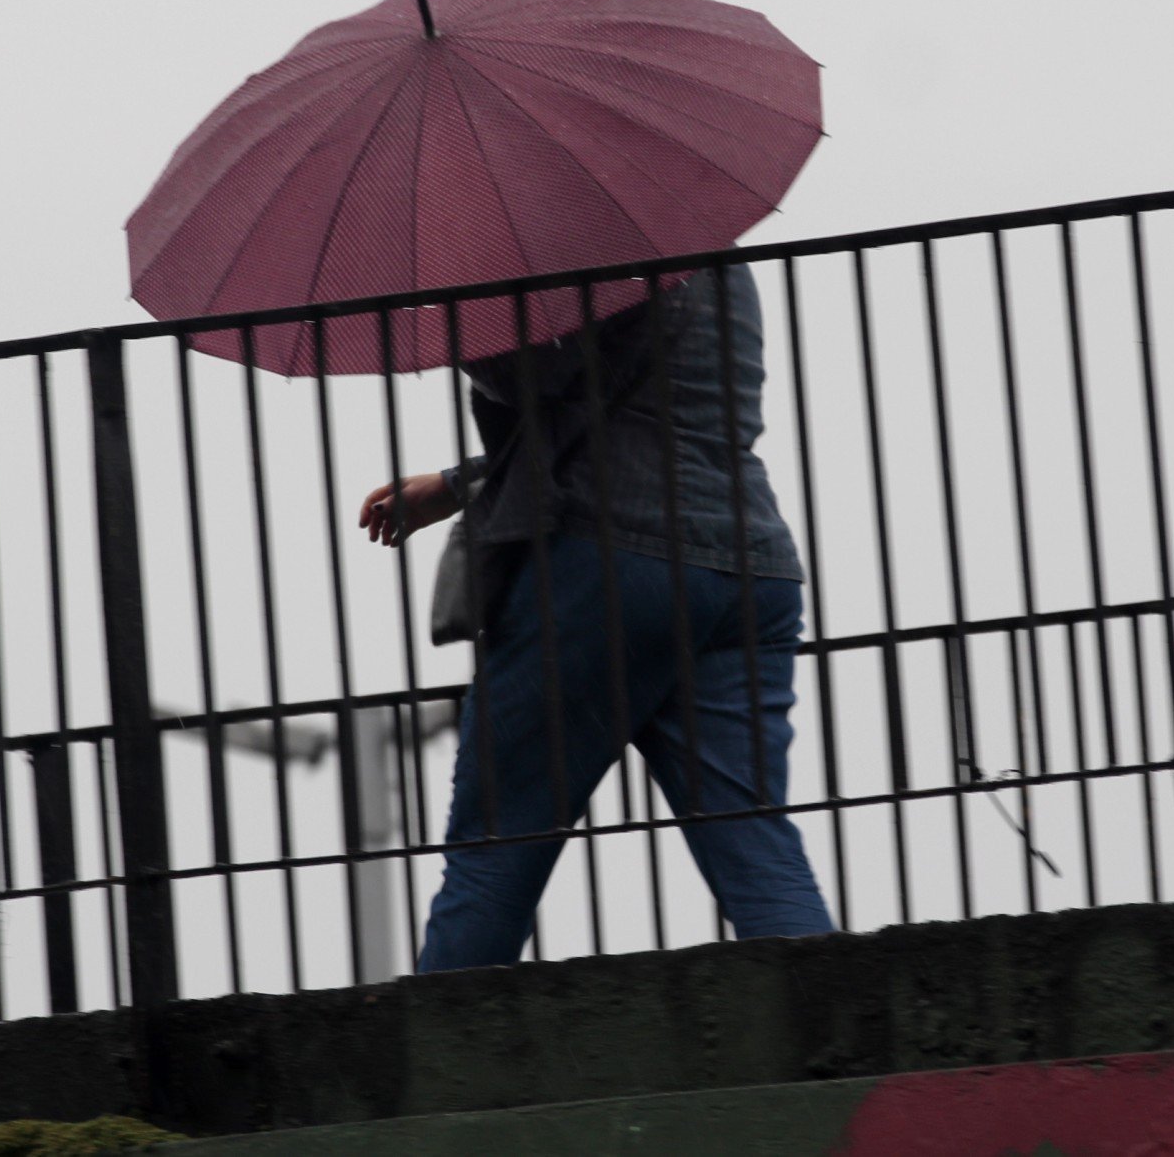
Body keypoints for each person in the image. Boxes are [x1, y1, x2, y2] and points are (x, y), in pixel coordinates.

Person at [357, 264, 835, 971]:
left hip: (612, 562)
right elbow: (626, 400)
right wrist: (458, 483)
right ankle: (844, 1033)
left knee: (498, 843)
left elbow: (536, 382)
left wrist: (453, 307)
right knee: (751, 837)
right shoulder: (709, 250)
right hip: (747, 562)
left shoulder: (582, 251)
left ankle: (439, 1064)